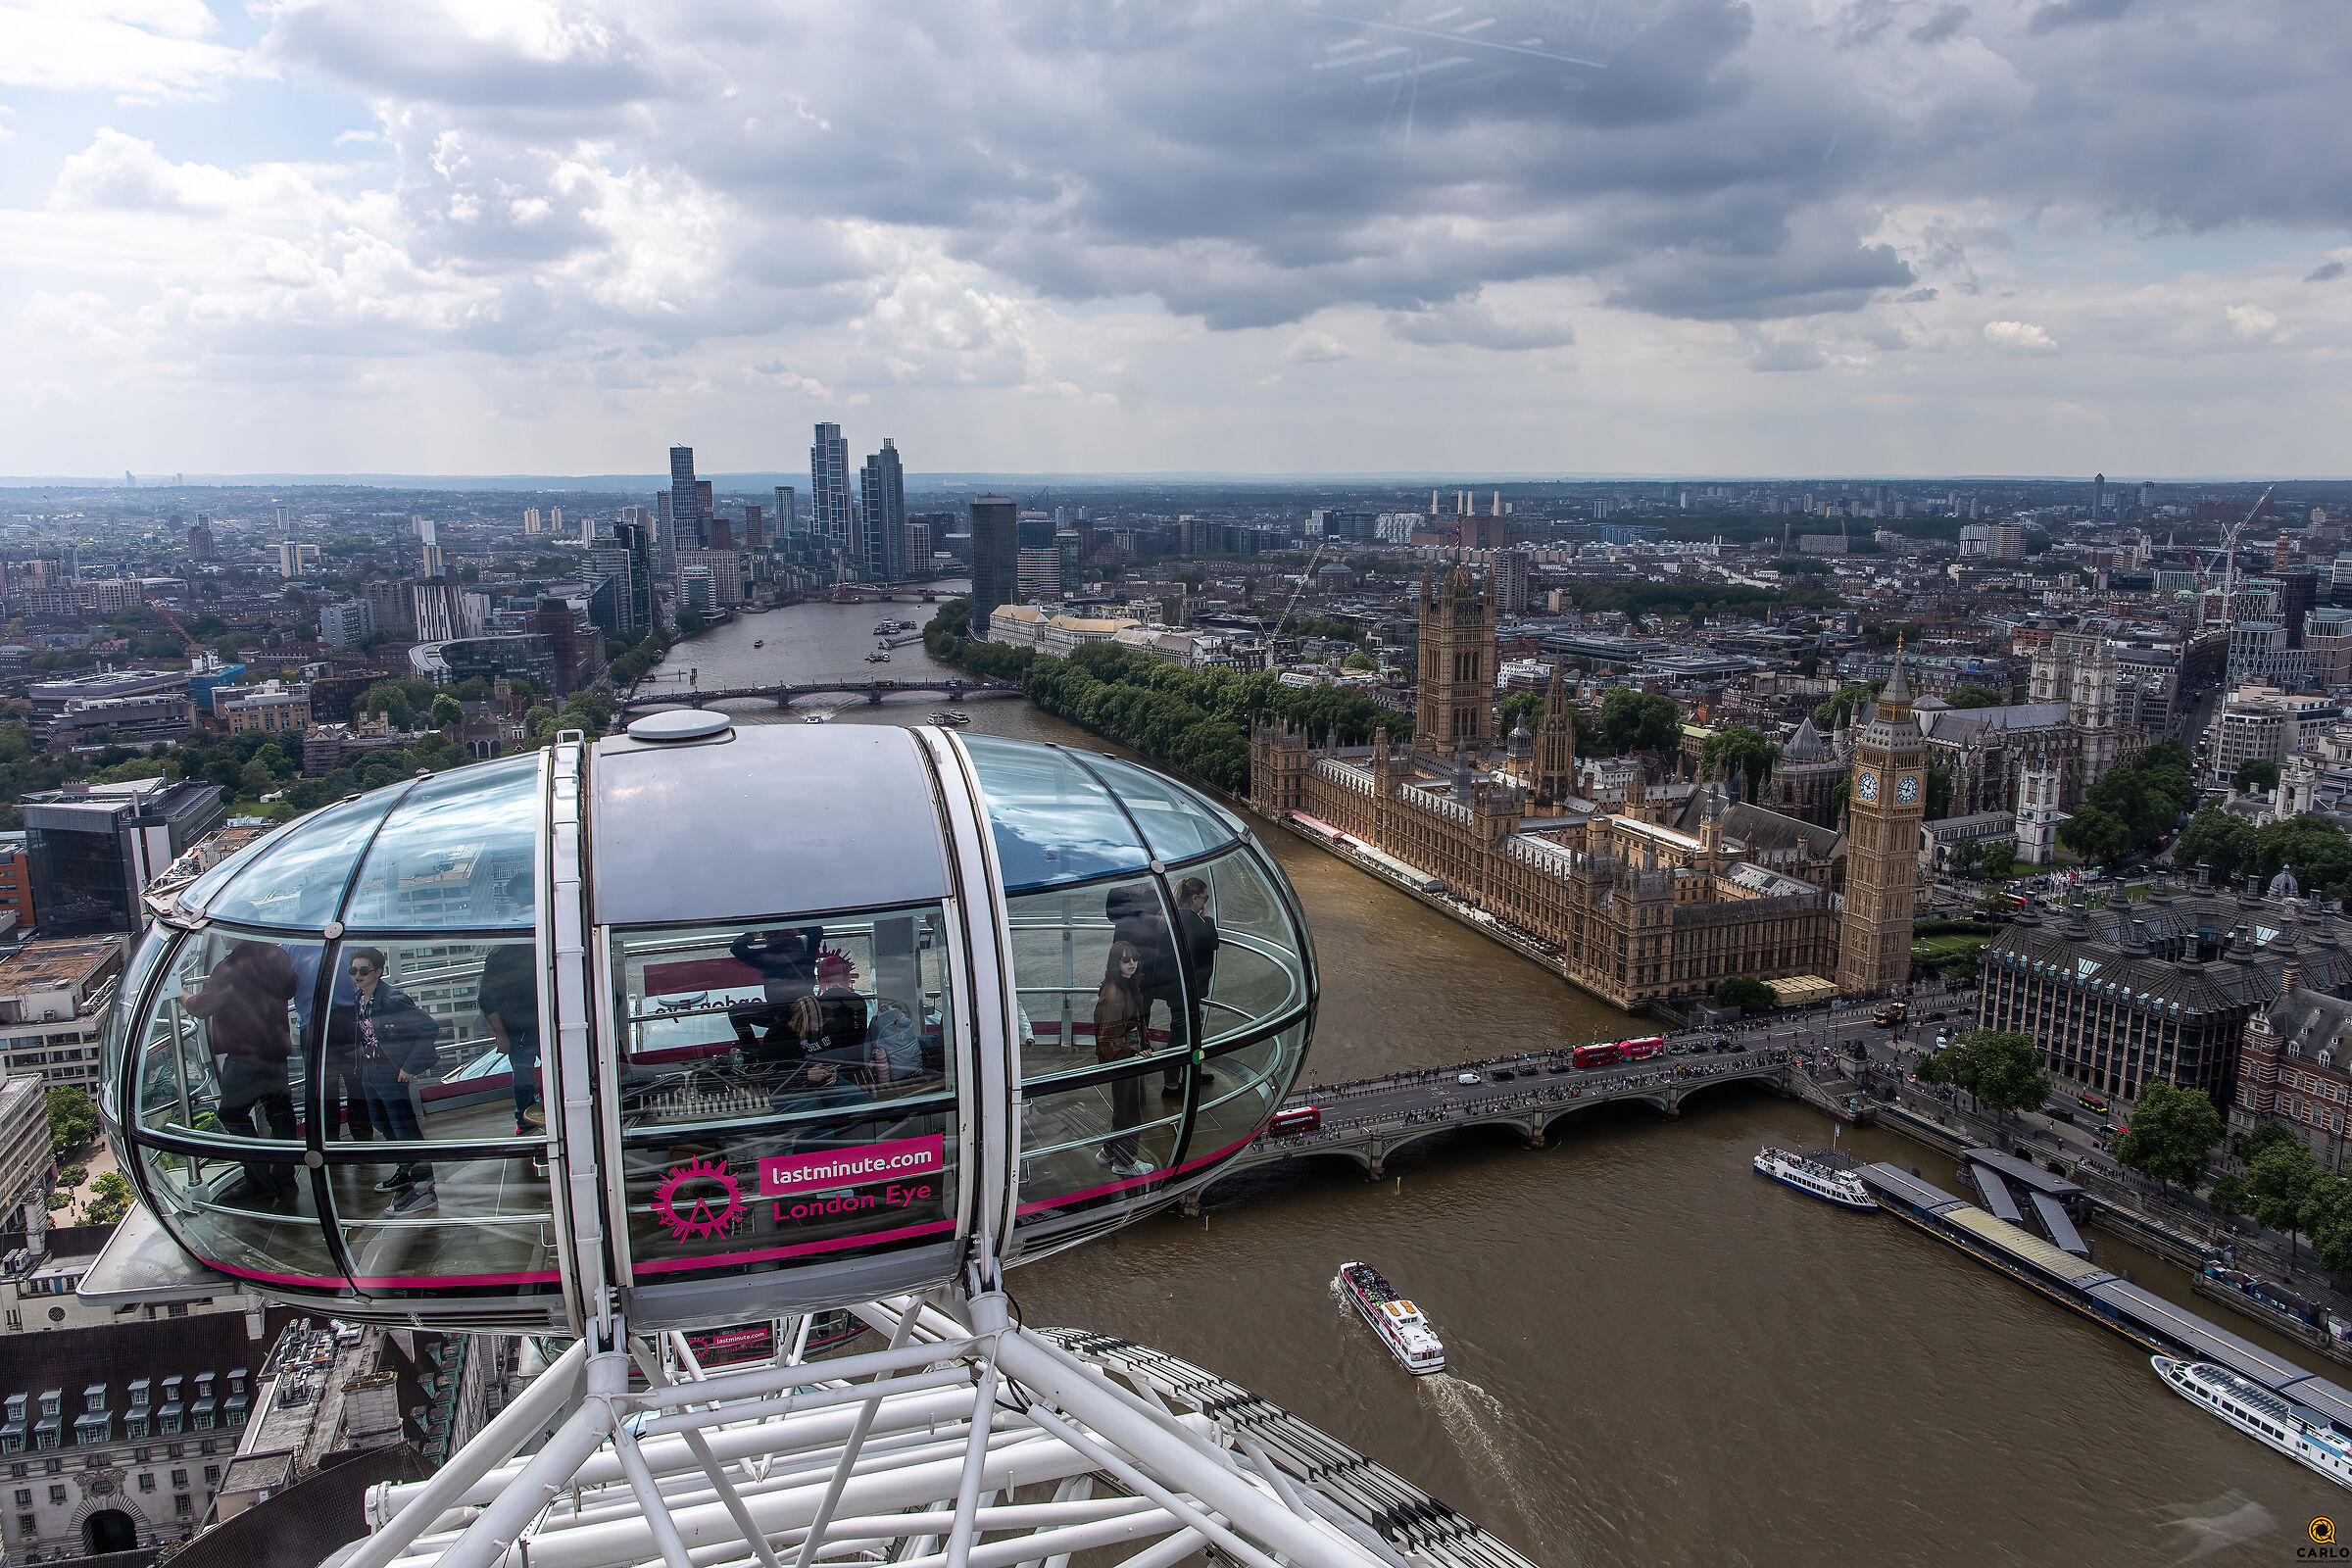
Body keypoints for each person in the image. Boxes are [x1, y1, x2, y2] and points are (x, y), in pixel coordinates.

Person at [180, 940, 299, 1204]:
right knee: (279, 1111)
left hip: (245, 1054)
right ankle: (285, 1177)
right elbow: (290, 988)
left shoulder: (231, 967)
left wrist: (182, 995)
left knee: (232, 1115)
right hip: (275, 1049)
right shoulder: (276, 955)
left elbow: (202, 1007)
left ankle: (259, 1180)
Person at [328, 948, 442, 1214]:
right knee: (380, 1121)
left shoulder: (392, 999)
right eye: (352, 970)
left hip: (390, 1070)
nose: (357, 975)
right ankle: (407, 1168)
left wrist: (409, 1066)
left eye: (363, 970)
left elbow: (429, 1028)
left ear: (378, 971)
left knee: (404, 1128)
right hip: (369, 1069)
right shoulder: (360, 998)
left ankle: (425, 1187)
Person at [1094, 940, 1153, 1177]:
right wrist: (1134, 1051)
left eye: (1135, 958)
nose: (1132, 963)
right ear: (1115, 963)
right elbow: (1108, 1037)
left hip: (1127, 1052)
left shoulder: (1124, 986)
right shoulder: (1115, 993)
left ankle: (1109, 1151)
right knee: (1130, 1108)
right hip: (1124, 1056)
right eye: (1125, 960)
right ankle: (1125, 1162)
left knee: (1125, 1106)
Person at [476, 942, 542, 1140]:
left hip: (544, 1019)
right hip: (521, 1025)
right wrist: (502, 1035)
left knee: (542, 1071)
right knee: (523, 1075)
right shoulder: (502, 954)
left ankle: (532, 1117)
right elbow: (486, 998)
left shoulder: (539, 941)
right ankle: (524, 1122)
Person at [1164, 876, 1221, 1101]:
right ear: (1195, 898)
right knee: (1181, 1034)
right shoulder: (1191, 920)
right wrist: (1208, 920)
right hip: (1187, 989)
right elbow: (1212, 941)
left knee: (1187, 1032)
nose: (1205, 903)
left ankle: (1189, 1074)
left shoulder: (1175, 917)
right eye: (1205, 898)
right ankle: (1171, 1084)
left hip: (1179, 986)